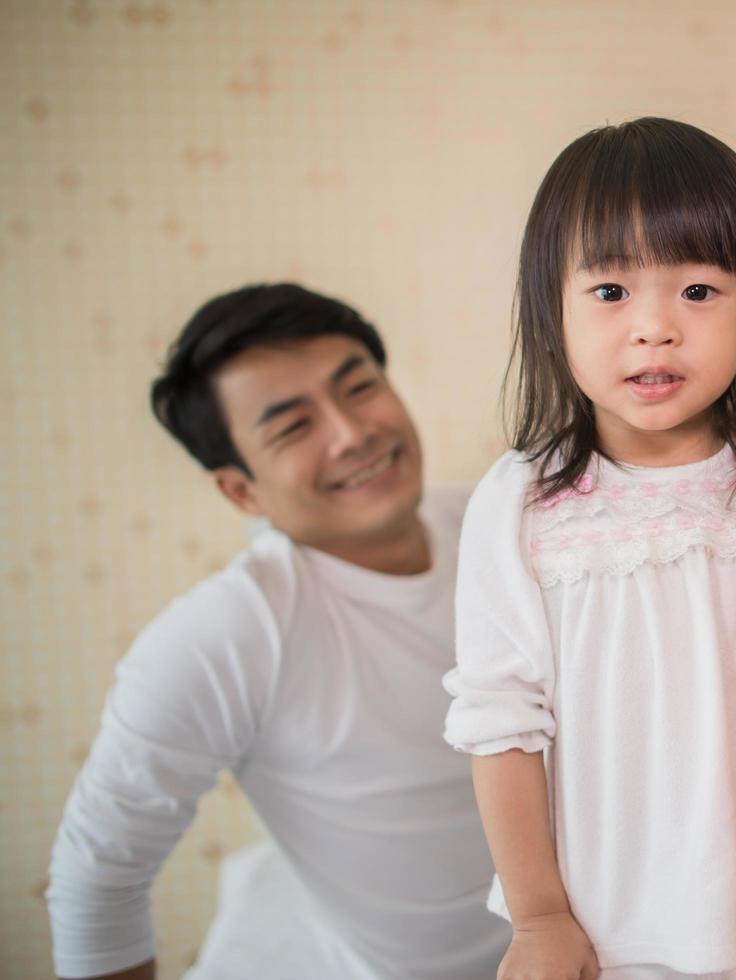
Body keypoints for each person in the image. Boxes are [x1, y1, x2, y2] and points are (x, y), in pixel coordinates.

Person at [441, 118, 736, 980]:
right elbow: (501, 725)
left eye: (697, 291)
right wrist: (537, 919)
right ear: (551, 318)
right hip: (594, 935)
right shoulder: (522, 504)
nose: (654, 329)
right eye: (609, 293)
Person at [47, 283, 511, 980]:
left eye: (359, 388)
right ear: (242, 491)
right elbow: (97, 881)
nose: (353, 433)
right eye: (293, 427)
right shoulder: (228, 634)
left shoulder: (502, 526)